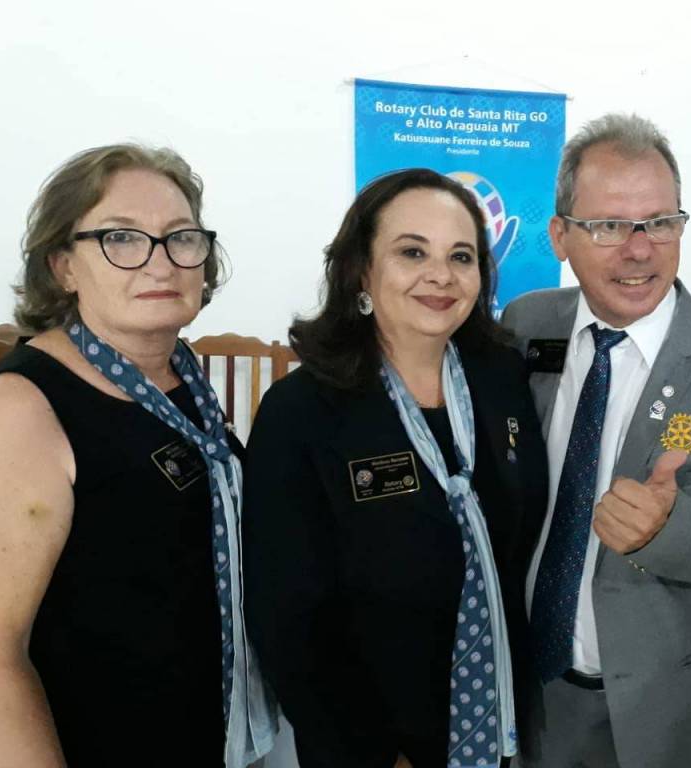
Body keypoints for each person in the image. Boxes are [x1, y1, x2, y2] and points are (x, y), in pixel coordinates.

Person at [501, 113, 691, 768]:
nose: (639, 250)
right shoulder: (526, 326)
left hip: (669, 703)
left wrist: (667, 530)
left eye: (659, 222)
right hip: (533, 687)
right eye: (608, 225)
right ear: (560, 235)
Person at [242, 168, 548, 768]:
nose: (441, 275)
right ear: (361, 271)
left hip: (497, 722)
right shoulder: (302, 411)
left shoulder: (501, 381)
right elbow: (286, 618)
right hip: (369, 740)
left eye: (461, 256)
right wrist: (373, 753)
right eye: (412, 252)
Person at [0, 145, 275, 767]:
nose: (159, 262)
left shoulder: (181, 380)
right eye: (121, 237)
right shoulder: (18, 408)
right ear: (63, 265)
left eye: (181, 237)